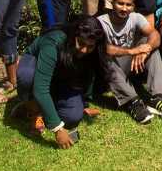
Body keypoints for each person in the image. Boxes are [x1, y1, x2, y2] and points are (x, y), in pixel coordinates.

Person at [14, 16, 104, 149]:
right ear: (73, 35)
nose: (84, 50)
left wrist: (84, 103)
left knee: (73, 116)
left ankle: (44, 107)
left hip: (60, 77)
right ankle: (32, 108)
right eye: (81, 43)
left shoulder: (92, 51)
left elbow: (88, 75)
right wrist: (57, 128)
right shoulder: (53, 42)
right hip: (35, 66)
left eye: (90, 46)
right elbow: (41, 88)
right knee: (27, 76)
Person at [97, 0, 162, 124]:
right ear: (112, 3)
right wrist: (132, 51)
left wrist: (145, 50)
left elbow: (155, 35)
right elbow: (102, 48)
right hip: (108, 71)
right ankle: (132, 102)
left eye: (128, 5)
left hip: (130, 65)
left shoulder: (136, 17)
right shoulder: (101, 22)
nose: (124, 8)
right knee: (104, 55)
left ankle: (157, 97)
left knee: (150, 45)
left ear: (133, 6)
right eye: (120, 3)